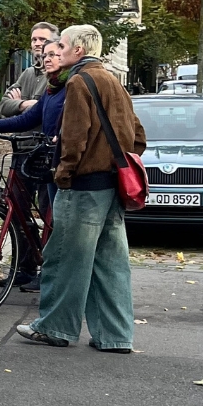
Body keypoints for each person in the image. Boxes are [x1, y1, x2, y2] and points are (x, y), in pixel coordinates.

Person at [16, 25, 146, 353]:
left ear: (77, 49)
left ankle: (56, 327)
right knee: (110, 264)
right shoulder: (114, 81)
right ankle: (115, 336)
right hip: (111, 186)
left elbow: (74, 138)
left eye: (62, 44)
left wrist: (64, 174)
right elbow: (139, 137)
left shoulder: (78, 81)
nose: (57, 50)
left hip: (83, 187)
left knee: (64, 259)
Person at [0, 38, 68, 291]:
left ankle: (50, 271)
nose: (46, 58)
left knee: (52, 217)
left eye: (53, 54)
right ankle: (27, 266)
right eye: (44, 54)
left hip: (57, 161)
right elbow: (24, 118)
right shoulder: (51, 89)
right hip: (34, 153)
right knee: (19, 207)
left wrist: (59, 137)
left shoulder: (71, 88)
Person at [0, 22, 59, 119]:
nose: (37, 43)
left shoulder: (58, 75)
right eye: (34, 40)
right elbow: (3, 106)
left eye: (42, 39)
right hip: (21, 134)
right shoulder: (28, 73)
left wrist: (17, 105)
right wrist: (24, 104)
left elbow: (48, 111)